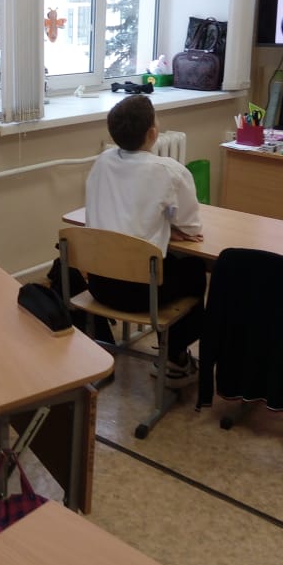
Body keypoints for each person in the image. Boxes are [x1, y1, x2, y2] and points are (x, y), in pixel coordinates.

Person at [85, 95, 206, 388]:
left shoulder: (101, 163)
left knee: (149, 260)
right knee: (195, 270)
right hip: (142, 294)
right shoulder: (169, 171)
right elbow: (192, 227)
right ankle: (175, 357)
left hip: (99, 285)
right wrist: (169, 225)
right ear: (152, 133)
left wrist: (162, 225)